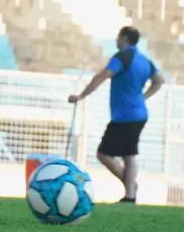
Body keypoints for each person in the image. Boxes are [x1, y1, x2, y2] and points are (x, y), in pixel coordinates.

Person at [68, 26, 164, 204]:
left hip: (125, 116)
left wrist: (81, 95)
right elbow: (159, 80)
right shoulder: (145, 60)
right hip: (139, 113)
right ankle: (130, 194)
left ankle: (131, 187)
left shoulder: (123, 57)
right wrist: (143, 97)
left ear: (125, 39)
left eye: (118, 38)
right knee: (129, 154)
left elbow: (104, 75)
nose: (116, 41)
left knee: (103, 154)